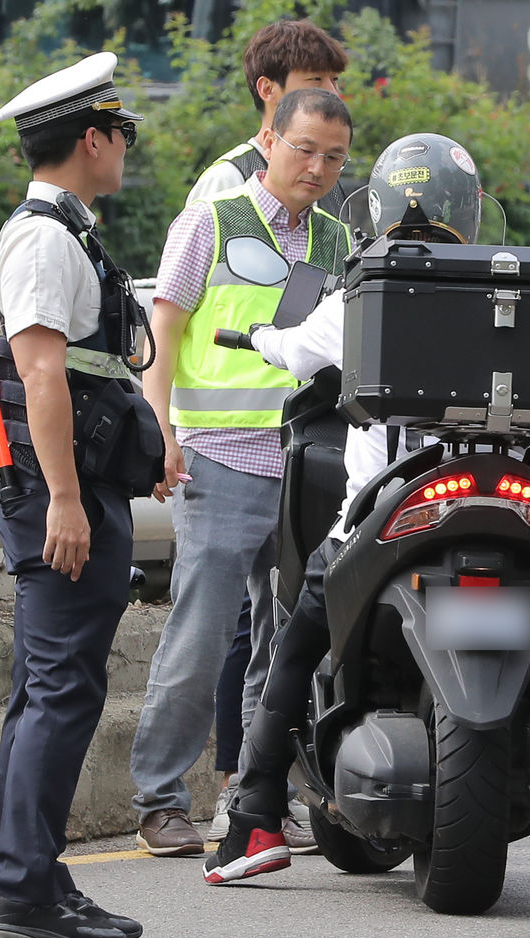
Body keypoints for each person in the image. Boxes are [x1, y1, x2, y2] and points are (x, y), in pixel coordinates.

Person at [202, 133, 530, 901]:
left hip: (397, 506)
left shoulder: (364, 287)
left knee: (296, 638)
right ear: (466, 211)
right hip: (518, 498)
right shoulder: (528, 292)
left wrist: (260, 335)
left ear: (379, 203)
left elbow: (295, 352)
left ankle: (256, 819)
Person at [130, 87, 353, 858]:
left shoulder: (338, 240)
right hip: (219, 458)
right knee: (200, 635)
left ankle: (255, 793)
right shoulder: (211, 221)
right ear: (268, 138)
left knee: (288, 644)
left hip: (308, 465)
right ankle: (159, 798)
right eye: (303, 149)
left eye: (333, 156)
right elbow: (160, 334)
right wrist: (159, 430)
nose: (317, 167)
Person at [0, 52, 164, 938]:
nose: (126, 147)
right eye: (120, 133)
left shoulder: (65, 228)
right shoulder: (46, 240)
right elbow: (43, 373)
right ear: (91, 138)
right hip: (63, 494)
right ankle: (21, 894)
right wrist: (63, 500)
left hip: (82, 486)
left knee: (48, 692)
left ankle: (40, 877)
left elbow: (89, 374)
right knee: (59, 693)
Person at [186, 17, 349, 847]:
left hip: (296, 438)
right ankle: (226, 787)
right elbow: (182, 301)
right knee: (237, 626)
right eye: (315, 85)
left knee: (277, 624)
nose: (329, 110)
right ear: (270, 97)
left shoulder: (328, 208)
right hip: (227, 439)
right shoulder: (223, 188)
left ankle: (262, 787)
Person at [187, 18, 348, 218]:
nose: (332, 93)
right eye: (316, 79)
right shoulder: (228, 178)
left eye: (335, 80)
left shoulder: (329, 184)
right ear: (267, 89)